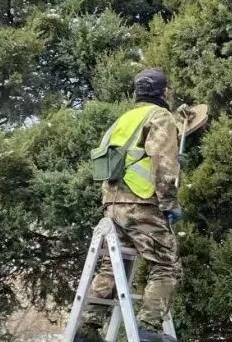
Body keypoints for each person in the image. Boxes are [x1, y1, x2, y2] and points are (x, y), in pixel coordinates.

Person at [79, 68, 183, 342]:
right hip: (142, 203)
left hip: (112, 205)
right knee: (166, 264)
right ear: (163, 92)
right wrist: (170, 203)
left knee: (113, 266)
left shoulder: (122, 120)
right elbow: (163, 162)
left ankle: (88, 327)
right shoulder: (161, 116)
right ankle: (149, 328)